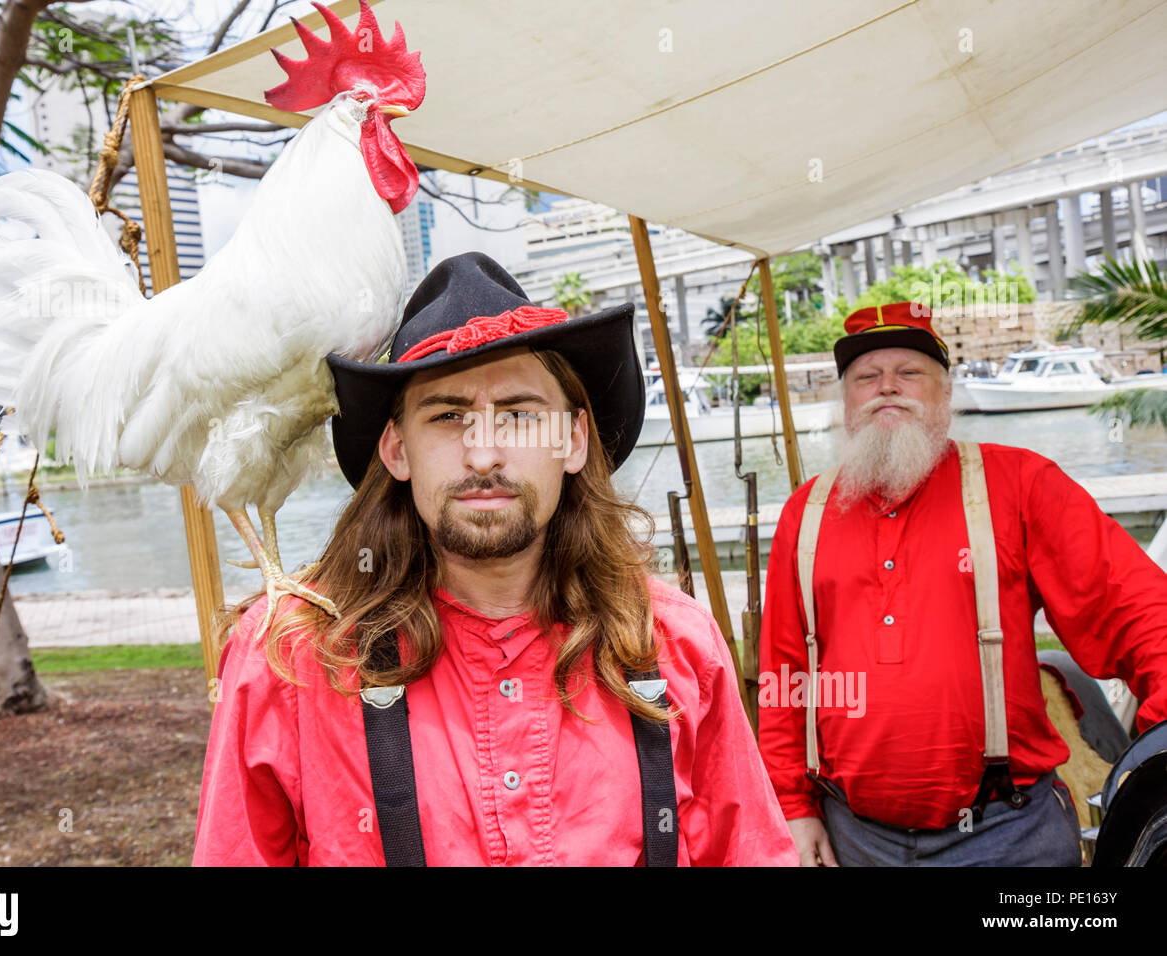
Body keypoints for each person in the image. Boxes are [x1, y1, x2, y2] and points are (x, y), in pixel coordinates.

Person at [193, 252, 797, 866]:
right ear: (398, 449)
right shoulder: (288, 660)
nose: (484, 456)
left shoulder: (676, 643)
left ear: (572, 441)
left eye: (518, 415)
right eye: (449, 416)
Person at [758, 301, 1167, 867]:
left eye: (910, 373)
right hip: (855, 838)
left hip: (1009, 836)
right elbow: (785, 677)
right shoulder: (805, 513)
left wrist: (1162, 749)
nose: (887, 389)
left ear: (944, 397)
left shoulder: (1020, 483)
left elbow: (1135, 612)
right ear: (845, 403)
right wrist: (793, 806)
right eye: (867, 378)